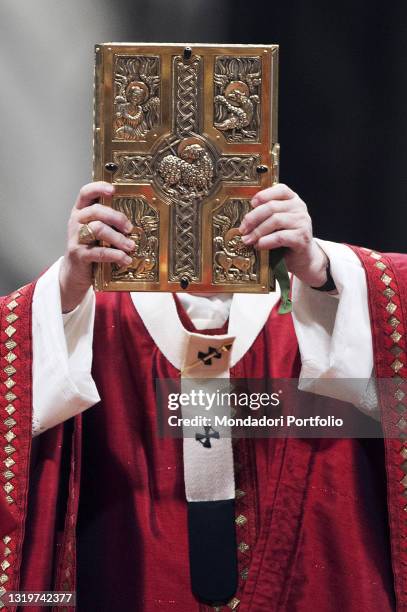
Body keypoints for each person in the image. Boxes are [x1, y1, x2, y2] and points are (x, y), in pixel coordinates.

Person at [0, 181, 404, 611]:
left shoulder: (329, 305)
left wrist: (327, 272)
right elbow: (21, 401)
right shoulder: (87, 316)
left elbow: (389, 401)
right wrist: (62, 293)